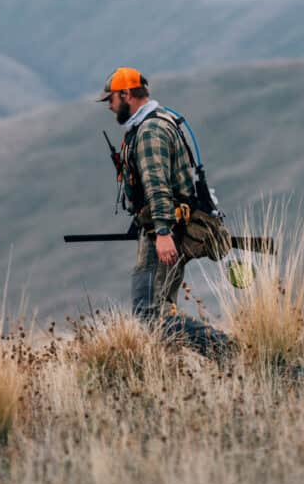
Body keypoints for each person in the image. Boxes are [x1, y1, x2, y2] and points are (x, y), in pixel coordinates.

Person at [97, 67, 234, 358]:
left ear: (127, 95)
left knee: (148, 313)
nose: (109, 105)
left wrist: (161, 231)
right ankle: (172, 375)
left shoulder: (149, 131)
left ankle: (226, 350)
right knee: (163, 309)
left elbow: (157, 185)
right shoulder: (159, 122)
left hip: (162, 233)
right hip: (169, 228)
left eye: (111, 98)